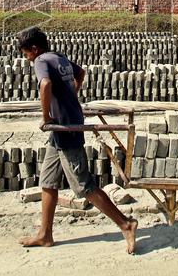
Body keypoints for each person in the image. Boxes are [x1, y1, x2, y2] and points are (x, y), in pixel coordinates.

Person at [16, 26, 139, 253]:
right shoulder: (59, 58)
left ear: (34, 49)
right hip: (62, 129)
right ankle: (45, 234)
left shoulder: (41, 61)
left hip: (66, 128)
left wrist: (46, 117)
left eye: (26, 54)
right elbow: (80, 72)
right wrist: (73, 95)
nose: (27, 59)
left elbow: (45, 85)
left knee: (84, 186)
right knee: (48, 181)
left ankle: (126, 224)